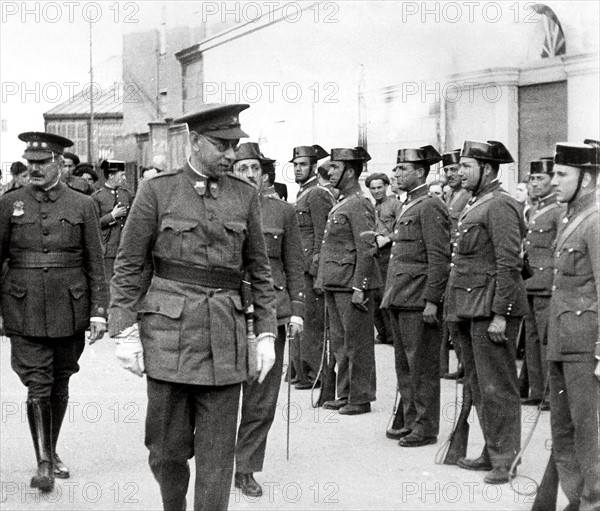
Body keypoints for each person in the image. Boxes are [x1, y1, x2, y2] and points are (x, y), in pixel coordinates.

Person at [108, 103, 278, 511]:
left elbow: (259, 268)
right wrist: (125, 330)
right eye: (222, 145)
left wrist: (267, 332)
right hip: (168, 338)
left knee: (218, 458)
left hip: (225, 337)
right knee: (166, 452)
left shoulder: (244, 195)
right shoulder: (158, 190)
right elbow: (130, 263)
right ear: (196, 141)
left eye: (234, 146)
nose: (231, 155)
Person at [0, 132, 108, 492]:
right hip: (22, 305)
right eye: (30, 163)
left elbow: (96, 263)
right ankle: (43, 462)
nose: (34, 169)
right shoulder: (9, 203)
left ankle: (51, 447)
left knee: (60, 381)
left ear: (60, 163)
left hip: (69, 307)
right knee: (38, 383)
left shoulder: (83, 205)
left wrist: (99, 311)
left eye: (42, 163)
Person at [446, 140, 528, 484]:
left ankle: (505, 458)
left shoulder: (500, 205)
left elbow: (509, 263)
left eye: (467, 166)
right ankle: (492, 451)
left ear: (488, 170)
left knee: (498, 387)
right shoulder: (475, 202)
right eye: (461, 165)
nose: (461, 172)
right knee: (479, 385)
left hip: (489, 308)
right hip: (469, 305)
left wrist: (500, 314)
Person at [231, 142, 304, 498]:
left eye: (254, 169)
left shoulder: (283, 211)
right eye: (241, 168)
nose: (248, 175)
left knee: (261, 399)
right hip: (228, 313)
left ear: (264, 173)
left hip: (270, 313)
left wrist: (299, 311)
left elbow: (294, 264)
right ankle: (218, 461)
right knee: (225, 396)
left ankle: (245, 467)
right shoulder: (221, 206)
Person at [380, 146, 451, 446]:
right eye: (396, 169)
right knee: (405, 366)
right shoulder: (409, 204)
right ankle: (411, 420)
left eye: (402, 169)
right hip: (400, 296)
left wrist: (432, 300)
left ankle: (425, 426)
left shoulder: (430, 205)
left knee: (421, 367)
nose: (396, 174)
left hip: (418, 299)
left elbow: (438, 257)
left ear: (420, 172)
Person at [547, 140, 599, 511]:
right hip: (562, 339)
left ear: (589, 178)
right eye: (554, 173)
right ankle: (578, 496)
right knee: (563, 430)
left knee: (590, 430)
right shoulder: (568, 217)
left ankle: (594, 499)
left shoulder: (596, 222)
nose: (553, 181)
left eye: (562, 174)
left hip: (585, 344)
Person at [315, 147, 381, 415]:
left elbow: (366, 248)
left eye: (335, 167)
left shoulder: (359, 203)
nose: (329, 172)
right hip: (336, 282)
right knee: (340, 343)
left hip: (351, 284)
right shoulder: (342, 201)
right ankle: (345, 394)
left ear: (350, 172)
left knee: (358, 343)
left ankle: (361, 397)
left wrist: (360, 286)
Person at [291, 145, 334, 397]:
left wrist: (319, 273)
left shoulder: (317, 193)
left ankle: (315, 373)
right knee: (302, 323)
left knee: (313, 326)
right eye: (295, 164)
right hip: (300, 267)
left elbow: (322, 236)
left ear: (314, 168)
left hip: (311, 269)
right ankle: (302, 371)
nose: (298, 168)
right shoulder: (302, 193)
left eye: (303, 164)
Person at [521, 158, 562, 411]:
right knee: (532, 340)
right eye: (532, 179)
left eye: (540, 179)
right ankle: (537, 391)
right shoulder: (535, 209)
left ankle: (549, 394)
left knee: (546, 341)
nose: (534, 183)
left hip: (547, 284)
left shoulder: (557, 210)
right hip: (531, 283)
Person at [441, 149, 471, 380]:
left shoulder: (468, 195)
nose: (451, 173)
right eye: (447, 170)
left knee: (459, 318)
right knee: (452, 319)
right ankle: (463, 364)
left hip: (461, 259)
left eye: (454, 169)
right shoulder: (449, 194)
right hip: (449, 259)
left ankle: (468, 367)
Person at [364, 172, 402, 345]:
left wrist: (387, 239)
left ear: (386, 186)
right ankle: (383, 333)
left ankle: (393, 335)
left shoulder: (395, 205)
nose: (377, 191)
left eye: (380, 187)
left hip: (389, 253)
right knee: (375, 296)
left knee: (387, 294)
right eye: (373, 188)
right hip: (375, 254)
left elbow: (402, 229)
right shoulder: (371, 207)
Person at [91, 160, 134, 281]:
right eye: (122, 175)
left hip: (125, 247)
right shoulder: (97, 197)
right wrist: (112, 216)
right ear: (111, 176)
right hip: (108, 248)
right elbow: (94, 224)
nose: (124, 178)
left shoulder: (127, 194)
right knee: (108, 282)